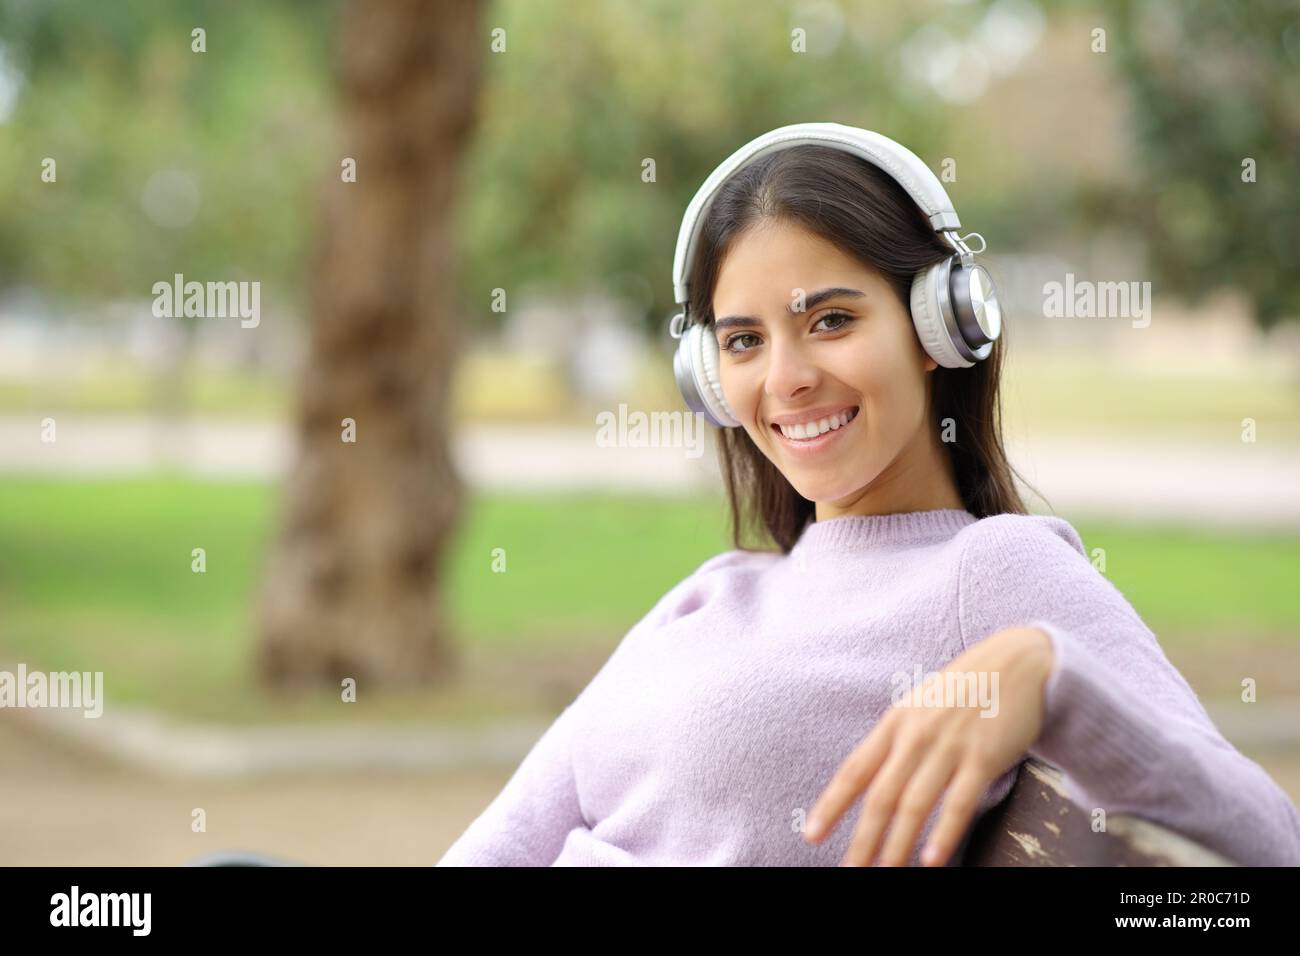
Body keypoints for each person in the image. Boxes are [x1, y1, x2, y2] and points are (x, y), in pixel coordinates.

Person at [435, 124, 1300, 867]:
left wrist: (1051, 676)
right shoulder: (714, 591)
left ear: (938, 326)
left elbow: (1269, 841)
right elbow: (502, 841)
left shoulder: (991, 573)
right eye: (743, 340)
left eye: (831, 321)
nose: (788, 379)